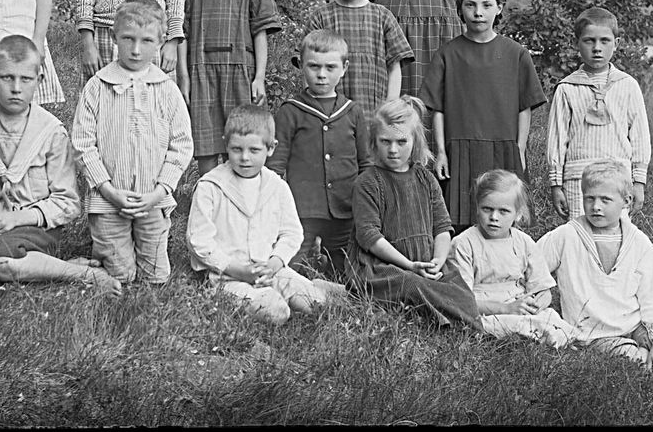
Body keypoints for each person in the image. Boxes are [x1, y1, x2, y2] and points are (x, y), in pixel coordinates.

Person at [0, 35, 121, 294]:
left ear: (39, 81)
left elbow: (67, 202)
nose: (16, 88)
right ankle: (38, 268)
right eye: (6, 77)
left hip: (33, 230)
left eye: (25, 79)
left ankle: (81, 274)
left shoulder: (51, 132)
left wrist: (17, 218)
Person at [70, 0, 194, 285]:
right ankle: (91, 264)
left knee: (156, 277)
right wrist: (109, 190)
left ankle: (138, 250)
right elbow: (82, 144)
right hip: (108, 200)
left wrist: (159, 191)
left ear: (161, 42)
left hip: (152, 199)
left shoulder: (166, 89)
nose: (136, 50)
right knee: (121, 275)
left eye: (147, 41)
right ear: (114, 36)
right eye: (128, 39)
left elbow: (182, 144)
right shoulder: (98, 86)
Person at [187, 105, 349, 325]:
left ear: (271, 148)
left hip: (271, 271)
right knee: (276, 311)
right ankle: (266, 297)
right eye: (236, 149)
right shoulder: (211, 186)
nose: (244, 158)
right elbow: (199, 240)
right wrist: (237, 269)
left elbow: (292, 233)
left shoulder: (276, 185)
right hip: (229, 277)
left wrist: (275, 262)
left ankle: (317, 289)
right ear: (226, 144)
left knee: (316, 305)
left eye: (254, 150)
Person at [538, 160, 653, 367]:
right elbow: (532, 265)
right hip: (594, 335)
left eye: (605, 200)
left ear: (626, 201)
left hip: (636, 326)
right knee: (637, 363)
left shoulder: (640, 243)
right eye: (589, 199)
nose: (596, 206)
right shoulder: (566, 236)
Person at [419, 0, 546, 230]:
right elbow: (438, 109)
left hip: (503, 149)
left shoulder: (516, 54)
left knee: (504, 218)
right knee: (460, 222)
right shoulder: (448, 54)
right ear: (459, 9)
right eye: (470, 5)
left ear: (499, 8)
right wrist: (441, 152)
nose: (478, 13)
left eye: (486, 5)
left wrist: (519, 149)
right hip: (460, 151)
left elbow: (525, 107)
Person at [346, 96, 482, 330]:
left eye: (401, 141)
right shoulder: (367, 183)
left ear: (415, 141)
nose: (393, 150)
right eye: (385, 141)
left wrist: (438, 261)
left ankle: (466, 325)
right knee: (410, 284)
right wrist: (409, 265)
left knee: (459, 290)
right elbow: (370, 237)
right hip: (381, 267)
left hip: (423, 261)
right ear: (373, 142)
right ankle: (441, 323)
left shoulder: (426, 179)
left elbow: (442, 228)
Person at [177, 0, 282, 176]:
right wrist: (183, 77)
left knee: (245, 139)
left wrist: (259, 76)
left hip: (241, 71)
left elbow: (261, 28)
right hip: (201, 70)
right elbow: (181, 31)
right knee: (207, 147)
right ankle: (210, 202)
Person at [267, 29, 371, 277]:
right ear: (301, 65)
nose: (322, 75)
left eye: (330, 67)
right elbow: (276, 164)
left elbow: (365, 162)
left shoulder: (352, 111)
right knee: (292, 267)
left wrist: (364, 202)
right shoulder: (291, 111)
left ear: (344, 68)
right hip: (303, 208)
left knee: (348, 270)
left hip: (345, 208)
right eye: (314, 66)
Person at [546, 6, 652, 220]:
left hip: (617, 180)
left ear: (616, 44)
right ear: (577, 44)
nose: (597, 48)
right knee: (579, 237)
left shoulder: (627, 85)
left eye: (604, 41)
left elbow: (640, 137)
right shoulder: (567, 88)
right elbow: (557, 139)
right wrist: (556, 185)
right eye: (589, 41)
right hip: (579, 181)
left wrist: (638, 182)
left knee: (615, 237)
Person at [449, 170, 575, 346]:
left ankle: (552, 334)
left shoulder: (523, 242)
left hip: (518, 305)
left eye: (503, 211)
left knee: (551, 317)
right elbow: (462, 300)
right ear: (477, 208)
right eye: (487, 209)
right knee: (502, 324)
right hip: (485, 310)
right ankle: (537, 335)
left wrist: (538, 303)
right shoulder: (463, 243)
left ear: (517, 214)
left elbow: (542, 288)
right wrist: (507, 309)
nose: (494, 217)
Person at [305, 0, 413, 113]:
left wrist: (389, 108)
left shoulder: (383, 17)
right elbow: (308, 65)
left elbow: (395, 67)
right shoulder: (321, 17)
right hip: (330, 115)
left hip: (374, 112)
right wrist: (315, 109)